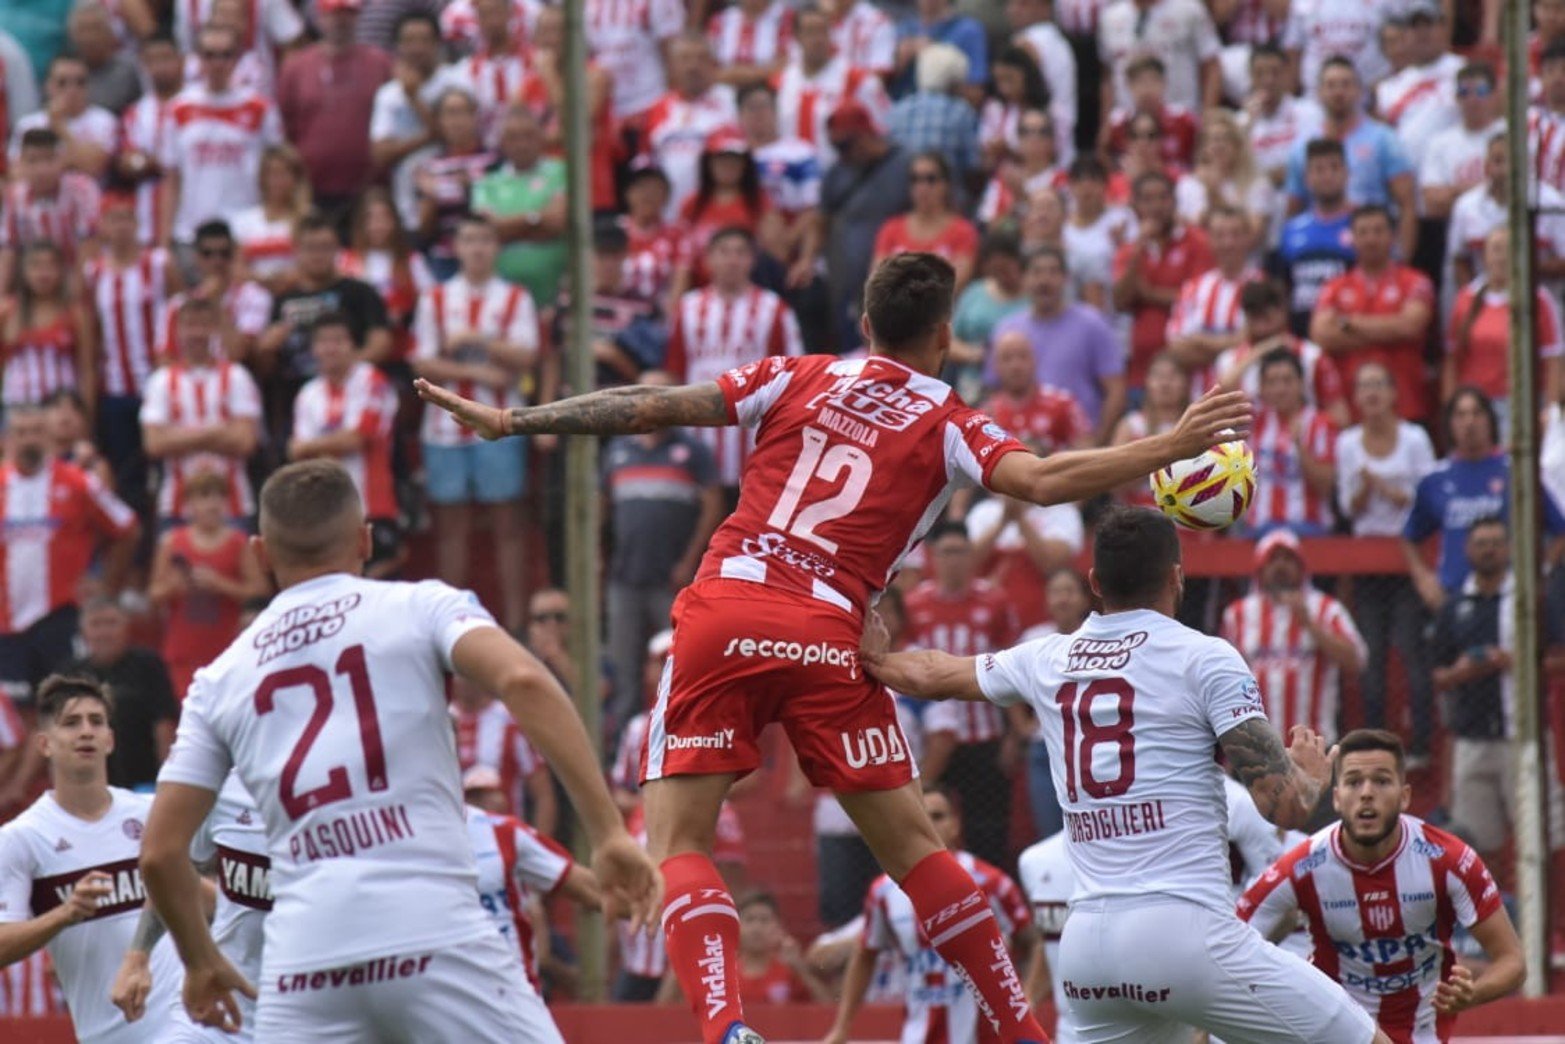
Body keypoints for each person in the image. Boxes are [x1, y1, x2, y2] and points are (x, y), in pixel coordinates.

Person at [415, 251, 1254, 1044]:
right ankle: (1022, 1033)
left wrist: (515, 419)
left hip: (723, 615)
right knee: (916, 853)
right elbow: (1040, 481)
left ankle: (725, 1027)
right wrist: (1168, 446)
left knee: (680, 844)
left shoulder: (797, 374)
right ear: (944, 333)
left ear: (863, 322)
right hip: (826, 633)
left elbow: (650, 404)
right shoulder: (949, 420)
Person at [139, 459, 661, 1040]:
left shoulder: (218, 678)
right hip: (433, 932)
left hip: (306, 963)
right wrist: (608, 833)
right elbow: (524, 681)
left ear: (260, 554)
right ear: (364, 540)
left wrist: (200, 960)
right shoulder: (422, 606)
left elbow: (159, 853)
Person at [861, 504, 1395, 1044]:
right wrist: (1310, 774)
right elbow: (1284, 806)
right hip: (1185, 935)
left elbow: (934, 672)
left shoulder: (1047, 657)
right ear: (1177, 577)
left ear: (1094, 582)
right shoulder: (1204, 657)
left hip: (1087, 949)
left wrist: (872, 657)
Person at [1238, 728, 1526, 1039]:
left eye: (1381, 781)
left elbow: (1513, 961)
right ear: (1337, 798)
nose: (1366, 793)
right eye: (1353, 782)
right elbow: (1226, 945)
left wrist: (1473, 994)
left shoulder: (1450, 860)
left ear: (1405, 797)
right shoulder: (1303, 865)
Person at [0, 675, 181, 1044]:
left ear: (109, 739)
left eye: (96, 722)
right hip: (106, 1034)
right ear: (44, 744)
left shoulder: (151, 813)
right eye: (71, 722)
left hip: (185, 1026)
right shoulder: (22, 838)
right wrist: (64, 914)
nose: (86, 731)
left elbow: (206, 890)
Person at [823, 784, 1035, 1044]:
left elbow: (1032, 940)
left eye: (938, 816)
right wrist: (842, 1027)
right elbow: (865, 954)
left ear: (955, 825)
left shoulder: (991, 882)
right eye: (922, 816)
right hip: (917, 1035)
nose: (930, 825)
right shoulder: (883, 892)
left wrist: (1029, 996)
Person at [411, 215, 538, 633]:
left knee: (508, 524)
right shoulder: (435, 298)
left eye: (485, 239)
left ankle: (516, 626)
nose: (478, 248)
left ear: (496, 247)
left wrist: (476, 341)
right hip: (444, 428)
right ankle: (452, 626)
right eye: (469, 240)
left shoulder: (515, 297)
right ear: (457, 248)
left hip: (502, 423)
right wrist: (482, 371)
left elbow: (527, 356)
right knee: (451, 528)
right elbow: (422, 362)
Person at [603, 372, 723, 732]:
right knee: (624, 667)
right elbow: (599, 507)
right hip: (624, 576)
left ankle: (682, 734)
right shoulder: (617, 451)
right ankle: (624, 746)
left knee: (679, 662)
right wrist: (598, 558)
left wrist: (690, 561)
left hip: (673, 579)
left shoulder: (693, 452)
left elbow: (713, 506)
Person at [110, 769, 268, 1042]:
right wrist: (138, 956)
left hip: (312, 1008)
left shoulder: (339, 799)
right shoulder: (224, 785)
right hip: (220, 1006)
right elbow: (171, 872)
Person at [0, 405, 137, 706]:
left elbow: (127, 527)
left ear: (48, 436)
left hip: (62, 615)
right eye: (21, 433)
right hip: (6, 621)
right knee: (13, 717)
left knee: (66, 705)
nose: (29, 440)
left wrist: (107, 584)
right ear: (7, 439)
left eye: (36, 431)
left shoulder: (79, 483)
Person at [904, 522, 1022, 870]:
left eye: (960, 552)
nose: (953, 560)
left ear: (972, 556)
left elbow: (1014, 669)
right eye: (946, 552)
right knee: (929, 827)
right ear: (933, 557)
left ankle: (991, 888)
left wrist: (1013, 734)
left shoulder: (995, 601)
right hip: (934, 742)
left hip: (984, 736)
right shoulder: (914, 604)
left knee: (988, 830)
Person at [1335, 362, 1437, 760]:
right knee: (1372, 652)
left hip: (1408, 558)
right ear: (1356, 398)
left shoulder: (1415, 439)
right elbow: (1349, 507)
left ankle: (1421, 742)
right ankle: (1375, 740)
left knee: (1412, 649)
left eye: (1379, 384)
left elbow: (1428, 499)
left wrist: (1383, 486)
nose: (1372, 393)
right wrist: (1368, 490)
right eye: (1364, 386)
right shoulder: (1348, 443)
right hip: (1368, 561)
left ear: (1394, 393)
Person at [665, 227, 802, 490]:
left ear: (752, 260)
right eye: (724, 252)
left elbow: (794, 375)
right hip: (698, 438)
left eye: (740, 253)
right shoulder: (687, 308)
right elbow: (674, 371)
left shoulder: (774, 309)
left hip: (753, 440)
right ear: (709, 259)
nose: (732, 260)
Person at [1403, 388, 1565, 608]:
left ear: (1490, 420)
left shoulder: (1516, 474)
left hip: (1509, 597)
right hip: (1454, 596)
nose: (1469, 422)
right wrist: (1423, 578)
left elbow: (1560, 531)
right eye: (1461, 415)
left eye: (1476, 413)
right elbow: (1410, 536)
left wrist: (1539, 573)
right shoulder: (1435, 479)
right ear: (1450, 424)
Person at [1428, 517, 1525, 858]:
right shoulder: (1454, 607)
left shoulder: (1527, 601)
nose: (1489, 550)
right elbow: (1437, 675)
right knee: (1477, 849)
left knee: (1535, 835)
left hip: (1521, 736)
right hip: (1471, 738)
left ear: (1509, 549)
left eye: (1496, 543)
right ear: (1468, 550)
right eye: (1481, 544)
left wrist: (1512, 662)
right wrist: (1461, 672)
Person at [462, 766, 602, 994]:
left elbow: (587, 888)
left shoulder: (506, 834)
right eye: (475, 795)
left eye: (488, 793)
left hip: (509, 982)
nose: (483, 801)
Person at [1220, 529, 1368, 743]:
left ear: (1301, 568)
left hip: (1315, 745)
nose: (1281, 566)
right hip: (1258, 749)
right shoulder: (1237, 614)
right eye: (1273, 559)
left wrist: (1310, 625)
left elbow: (1356, 661)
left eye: (1288, 559)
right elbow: (1223, 680)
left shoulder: (1326, 609)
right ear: (1260, 569)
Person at [256, 213, 392, 444]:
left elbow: (381, 343)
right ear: (297, 251)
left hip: (351, 393)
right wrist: (266, 348)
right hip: (296, 397)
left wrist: (342, 366)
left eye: (325, 247)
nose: (318, 255)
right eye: (310, 248)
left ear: (337, 249)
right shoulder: (283, 299)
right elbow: (266, 365)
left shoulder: (359, 292)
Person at [289, 312, 404, 578]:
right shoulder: (308, 393)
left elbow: (357, 438)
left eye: (338, 340)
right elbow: (297, 452)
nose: (331, 348)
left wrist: (312, 446)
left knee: (376, 584)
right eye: (323, 341)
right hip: (325, 509)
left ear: (353, 345)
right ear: (313, 348)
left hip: (372, 503)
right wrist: (322, 445)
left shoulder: (372, 381)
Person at [159, 24, 284, 260]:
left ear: (237, 59)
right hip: (191, 232)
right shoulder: (178, 109)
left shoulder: (260, 107)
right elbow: (172, 179)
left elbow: (277, 170)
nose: (218, 63)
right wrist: (164, 244)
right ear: (198, 59)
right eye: (210, 55)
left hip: (245, 228)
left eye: (226, 55)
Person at [84, 192, 179, 503]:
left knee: (165, 469)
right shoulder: (94, 273)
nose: (121, 226)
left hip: (158, 381)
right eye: (114, 219)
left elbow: (180, 311)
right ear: (103, 226)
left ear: (138, 223)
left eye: (127, 218)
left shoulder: (159, 264)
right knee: (126, 475)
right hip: (115, 388)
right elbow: (92, 334)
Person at [140, 296, 263, 524]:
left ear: (214, 328)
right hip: (176, 507)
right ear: (177, 330)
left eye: (203, 325)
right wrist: (218, 431)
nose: (196, 333)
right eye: (190, 325)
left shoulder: (237, 376)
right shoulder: (161, 381)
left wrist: (179, 436)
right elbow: (154, 444)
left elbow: (246, 441)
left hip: (233, 506)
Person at [1309, 204, 1437, 424]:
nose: (1371, 239)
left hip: (1406, 404)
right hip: (1350, 410)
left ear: (1392, 236)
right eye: (1363, 232)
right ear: (1352, 238)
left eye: (1378, 231)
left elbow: (1410, 327)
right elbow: (1321, 335)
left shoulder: (1415, 281)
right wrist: (1389, 332)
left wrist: (1348, 323)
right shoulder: (1334, 286)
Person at [148, 471, 267, 700]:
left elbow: (260, 592)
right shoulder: (172, 542)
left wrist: (220, 585)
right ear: (189, 504)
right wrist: (176, 587)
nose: (212, 505)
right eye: (204, 496)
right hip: (183, 650)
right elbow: (154, 594)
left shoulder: (239, 543)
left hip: (227, 648)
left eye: (218, 497)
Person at [1283, 59, 1416, 260]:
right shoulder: (1302, 148)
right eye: (1331, 85)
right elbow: (1294, 208)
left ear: (1359, 91)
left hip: (1372, 243)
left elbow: (1407, 205)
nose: (1338, 92)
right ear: (1319, 93)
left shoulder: (1383, 139)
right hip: (1317, 245)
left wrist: (1402, 259)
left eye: (1346, 84)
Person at [992, 248, 1126, 442]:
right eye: (1036, 272)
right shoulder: (1008, 330)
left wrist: (1098, 444)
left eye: (1053, 272)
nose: (1044, 280)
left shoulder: (1092, 324)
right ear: (1024, 279)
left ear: (1066, 279)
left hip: (1078, 444)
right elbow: (995, 389)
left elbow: (1115, 390)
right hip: (1017, 444)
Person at [1444, 227, 1565, 438]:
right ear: (1485, 256)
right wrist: (1450, 409)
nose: (1501, 257)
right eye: (1496, 249)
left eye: (1509, 250)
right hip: (1475, 408)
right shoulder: (1465, 299)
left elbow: (1553, 360)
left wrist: (1550, 412)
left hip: (1521, 406)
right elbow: (1452, 360)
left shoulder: (1538, 299)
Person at [820, 103, 912, 350]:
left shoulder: (905, 165)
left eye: (844, 145)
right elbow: (821, 218)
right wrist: (808, 258)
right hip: (845, 284)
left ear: (865, 134)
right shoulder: (837, 172)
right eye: (835, 146)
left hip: (891, 282)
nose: (841, 153)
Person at [1112, 171, 1215, 392]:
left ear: (1175, 202)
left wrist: (1149, 294)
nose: (1156, 206)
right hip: (1141, 373)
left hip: (1190, 372)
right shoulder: (1130, 250)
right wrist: (1138, 249)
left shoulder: (1196, 242)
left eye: (1163, 198)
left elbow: (1199, 300)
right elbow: (1120, 301)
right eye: (1147, 199)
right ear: (1135, 206)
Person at [368, 12, 461, 230]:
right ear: (398, 47)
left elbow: (456, 137)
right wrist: (428, 136)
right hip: (406, 201)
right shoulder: (388, 94)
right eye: (409, 40)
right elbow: (380, 154)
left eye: (424, 40)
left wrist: (414, 99)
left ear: (438, 43)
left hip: (454, 198)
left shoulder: (456, 81)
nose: (417, 48)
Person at [472, 105, 568, 309]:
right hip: (502, 298)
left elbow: (557, 222)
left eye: (528, 135)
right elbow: (489, 230)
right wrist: (536, 218)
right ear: (502, 142)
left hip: (555, 292)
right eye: (513, 137)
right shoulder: (487, 182)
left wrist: (510, 229)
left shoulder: (561, 171)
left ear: (541, 137)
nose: (521, 144)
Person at [775, 9, 892, 173]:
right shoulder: (780, 83)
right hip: (791, 179)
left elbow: (883, 131)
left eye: (823, 31)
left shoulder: (858, 81)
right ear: (797, 37)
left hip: (842, 177)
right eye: (810, 32)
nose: (817, 39)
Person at [643, 35, 739, 220]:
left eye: (701, 58)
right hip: (668, 217)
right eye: (685, 59)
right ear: (672, 66)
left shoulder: (732, 103)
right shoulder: (656, 108)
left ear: (713, 64)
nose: (693, 66)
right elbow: (646, 164)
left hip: (717, 218)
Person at [1165, 205, 1259, 393]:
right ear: (1209, 239)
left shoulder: (1261, 286)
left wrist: (1200, 340)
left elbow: (1260, 344)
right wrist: (1234, 344)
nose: (1228, 243)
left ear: (1248, 238)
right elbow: (1177, 349)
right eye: (1220, 235)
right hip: (1200, 396)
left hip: (1248, 398)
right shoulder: (1193, 289)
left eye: (1235, 234)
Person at [1270, 138, 1356, 336]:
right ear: (1307, 178)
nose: (1327, 176)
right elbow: (1282, 286)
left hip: (1347, 330)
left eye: (1334, 168)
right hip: (1300, 330)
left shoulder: (1363, 225)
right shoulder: (1291, 229)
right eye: (1319, 169)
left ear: (1347, 173)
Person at [159, 219, 273, 366]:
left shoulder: (254, 296)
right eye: (207, 254)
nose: (217, 261)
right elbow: (164, 360)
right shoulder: (178, 304)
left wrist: (216, 302)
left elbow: (237, 353)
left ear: (234, 254)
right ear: (196, 257)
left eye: (224, 253)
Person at [450, 676, 557, 834]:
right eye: (457, 673)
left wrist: (537, 842)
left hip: (505, 837)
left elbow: (543, 793)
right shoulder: (440, 719)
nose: (463, 680)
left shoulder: (511, 721)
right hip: (453, 835)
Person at [0, 127, 101, 292]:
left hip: (78, 278)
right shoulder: (15, 196)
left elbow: (89, 246)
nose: (42, 169)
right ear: (20, 163)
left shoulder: (82, 189)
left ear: (62, 159)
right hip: (34, 285)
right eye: (33, 161)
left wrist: (74, 296)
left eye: (49, 159)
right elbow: (8, 251)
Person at [1, 240, 96, 413]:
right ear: (23, 271)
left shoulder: (75, 314)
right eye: (35, 265)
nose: (43, 273)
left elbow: (87, 369)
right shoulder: (7, 312)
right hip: (17, 410)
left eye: (50, 266)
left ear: (61, 271)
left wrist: (87, 415)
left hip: (62, 410)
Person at [411, 89, 495, 282]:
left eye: (462, 112)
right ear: (439, 121)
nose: (456, 120)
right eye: (449, 113)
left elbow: (493, 209)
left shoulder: (494, 161)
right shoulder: (429, 167)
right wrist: (435, 197)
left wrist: (455, 190)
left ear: (474, 116)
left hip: (486, 254)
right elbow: (424, 228)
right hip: (445, 258)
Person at [873, 151, 980, 292]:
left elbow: (955, 285)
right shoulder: (891, 229)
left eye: (931, 179)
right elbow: (878, 283)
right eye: (915, 179)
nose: (922, 187)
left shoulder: (963, 231)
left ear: (946, 184)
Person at [118, 34, 186, 248]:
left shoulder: (194, 106)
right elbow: (128, 162)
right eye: (152, 60)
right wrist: (154, 163)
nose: (160, 67)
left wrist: (150, 161)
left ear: (181, 60)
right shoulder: (136, 113)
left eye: (166, 58)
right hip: (147, 217)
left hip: (188, 213)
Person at [1097, 0, 1221, 115]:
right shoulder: (1110, 17)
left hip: (1182, 117)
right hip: (1129, 122)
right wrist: (1106, 123)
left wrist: (1208, 117)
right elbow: (1107, 76)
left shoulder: (1189, 10)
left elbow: (1212, 66)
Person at [8, 54, 117, 182]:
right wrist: (68, 161)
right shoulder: (28, 124)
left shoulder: (104, 120)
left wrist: (59, 126)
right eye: (62, 83)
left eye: (80, 82)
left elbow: (94, 167)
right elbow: (16, 173)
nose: (72, 89)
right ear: (48, 85)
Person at [1418, 61, 1502, 224]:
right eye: (1464, 92)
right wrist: (1490, 187)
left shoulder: (1509, 135)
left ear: (1494, 95)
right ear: (1456, 98)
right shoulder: (1439, 143)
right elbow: (1432, 204)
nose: (1472, 99)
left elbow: (1517, 191)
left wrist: (1455, 192)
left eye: (1481, 91)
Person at [885, 45, 981, 185]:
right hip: (945, 192)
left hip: (901, 190)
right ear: (954, 81)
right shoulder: (961, 112)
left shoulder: (897, 109)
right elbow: (971, 165)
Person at [1175, 110, 1275, 240]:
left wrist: (1213, 193)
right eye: (1212, 139)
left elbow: (1253, 235)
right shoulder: (1188, 184)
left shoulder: (1257, 184)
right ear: (1203, 147)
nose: (1219, 145)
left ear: (1238, 145)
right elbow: (1185, 233)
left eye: (1225, 138)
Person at [1016, 830, 1078, 1042]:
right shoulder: (1034, 861)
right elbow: (1051, 943)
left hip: (1148, 1028)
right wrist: (1028, 1003)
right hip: (1070, 1032)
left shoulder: (1155, 854)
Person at [228, 144, 312, 291]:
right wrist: (265, 280)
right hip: (254, 294)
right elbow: (236, 268)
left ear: (296, 178)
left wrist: (285, 280)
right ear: (262, 178)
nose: (277, 181)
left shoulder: (307, 217)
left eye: (284, 173)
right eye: (272, 174)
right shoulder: (244, 221)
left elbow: (314, 263)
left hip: (296, 292)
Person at [733, 891, 831, 1004]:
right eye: (749, 920)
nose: (756, 928)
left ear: (778, 927)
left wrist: (800, 969)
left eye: (764, 920)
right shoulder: (724, 972)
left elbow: (827, 1006)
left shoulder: (790, 971)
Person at [708, 0, 794, 90]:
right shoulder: (721, 20)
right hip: (722, 88)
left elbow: (784, 64)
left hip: (767, 90)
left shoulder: (783, 19)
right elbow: (709, 67)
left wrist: (738, 75)